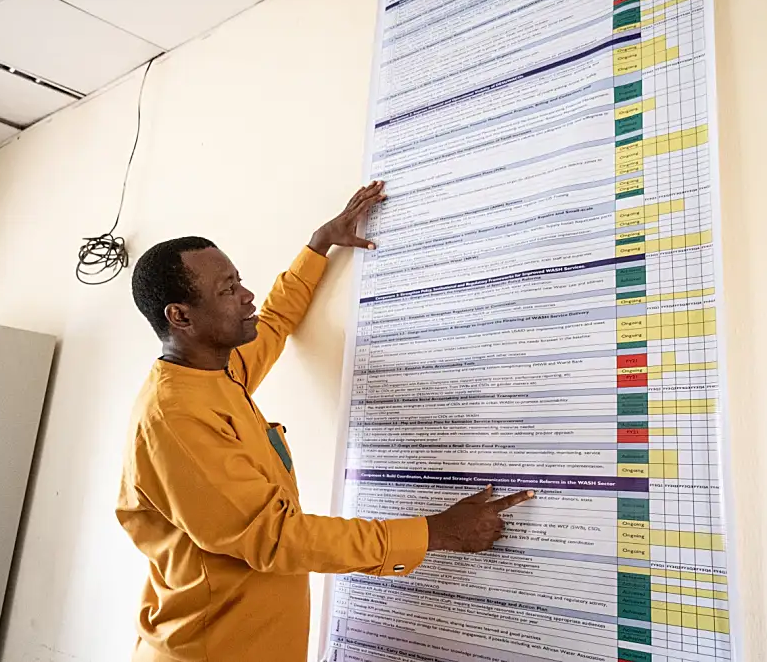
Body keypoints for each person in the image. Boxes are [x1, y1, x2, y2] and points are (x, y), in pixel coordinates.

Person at [116, 181, 533, 662]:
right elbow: (277, 538)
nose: (246, 294)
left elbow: (271, 322)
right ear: (180, 316)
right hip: (210, 650)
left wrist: (319, 245)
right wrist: (435, 533)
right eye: (228, 289)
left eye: (239, 279)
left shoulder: (217, 370)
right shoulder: (174, 417)